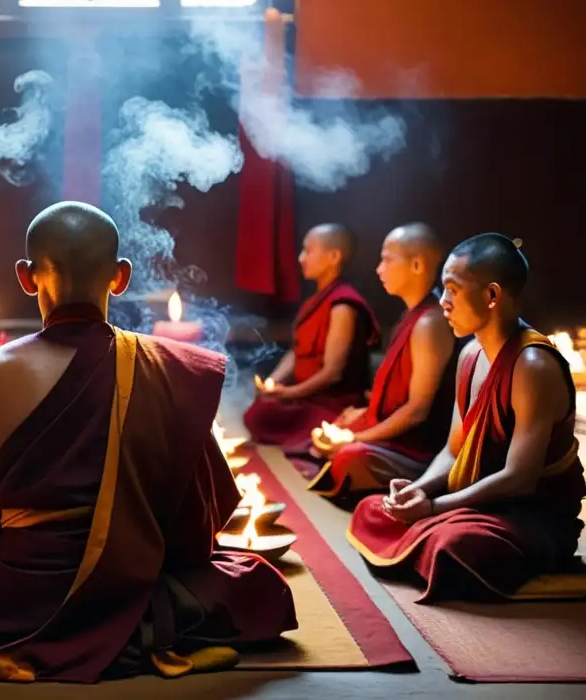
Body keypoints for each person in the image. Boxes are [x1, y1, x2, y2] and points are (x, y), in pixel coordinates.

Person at [0, 201, 296, 683]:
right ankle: (144, 628)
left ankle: (44, 632)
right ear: (120, 277)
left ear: (26, 277)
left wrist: (39, 549)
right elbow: (203, 519)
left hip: (11, 591)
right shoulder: (164, 367)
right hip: (135, 582)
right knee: (261, 588)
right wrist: (126, 544)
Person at [348, 234, 585, 602]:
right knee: (374, 510)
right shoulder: (470, 354)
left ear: (491, 296)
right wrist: (419, 490)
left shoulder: (532, 365)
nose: (442, 302)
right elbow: (454, 449)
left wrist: (434, 508)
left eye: (452, 290)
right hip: (480, 505)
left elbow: (519, 478)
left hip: (531, 517)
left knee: (453, 545)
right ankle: (432, 539)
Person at [308, 224, 459, 506]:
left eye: (387, 259)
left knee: (348, 457)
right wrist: (363, 415)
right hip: (398, 436)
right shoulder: (412, 314)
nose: (379, 269)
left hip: (419, 448)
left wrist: (355, 438)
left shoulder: (429, 322)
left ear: (417, 264)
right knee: (336, 426)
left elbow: (417, 411)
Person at [244, 223, 380, 450]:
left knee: (263, 415)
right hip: (306, 395)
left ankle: (325, 438)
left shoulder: (342, 306)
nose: (301, 258)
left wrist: (288, 394)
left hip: (334, 401)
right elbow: (297, 351)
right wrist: (274, 383)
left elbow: (333, 373)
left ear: (333, 256)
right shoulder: (314, 301)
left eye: (308, 250)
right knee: (259, 409)